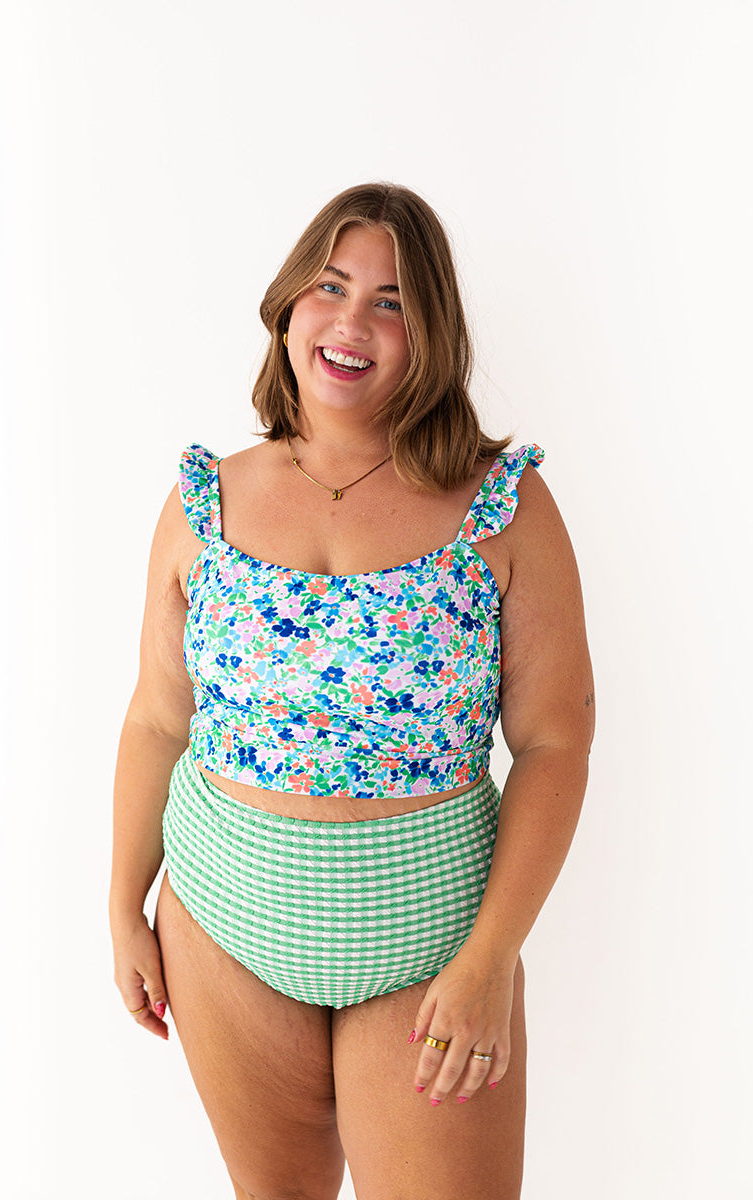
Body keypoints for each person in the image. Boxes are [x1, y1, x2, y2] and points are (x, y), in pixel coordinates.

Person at [110, 181, 594, 1200]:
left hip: (435, 940)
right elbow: (157, 717)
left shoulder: (503, 507)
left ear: (433, 335)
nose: (351, 321)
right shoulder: (204, 501)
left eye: (392, 301)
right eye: (330, 286)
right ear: (289, 304)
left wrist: (491, 959)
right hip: (224, 921)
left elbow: (555, 742)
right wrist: (121, 905)